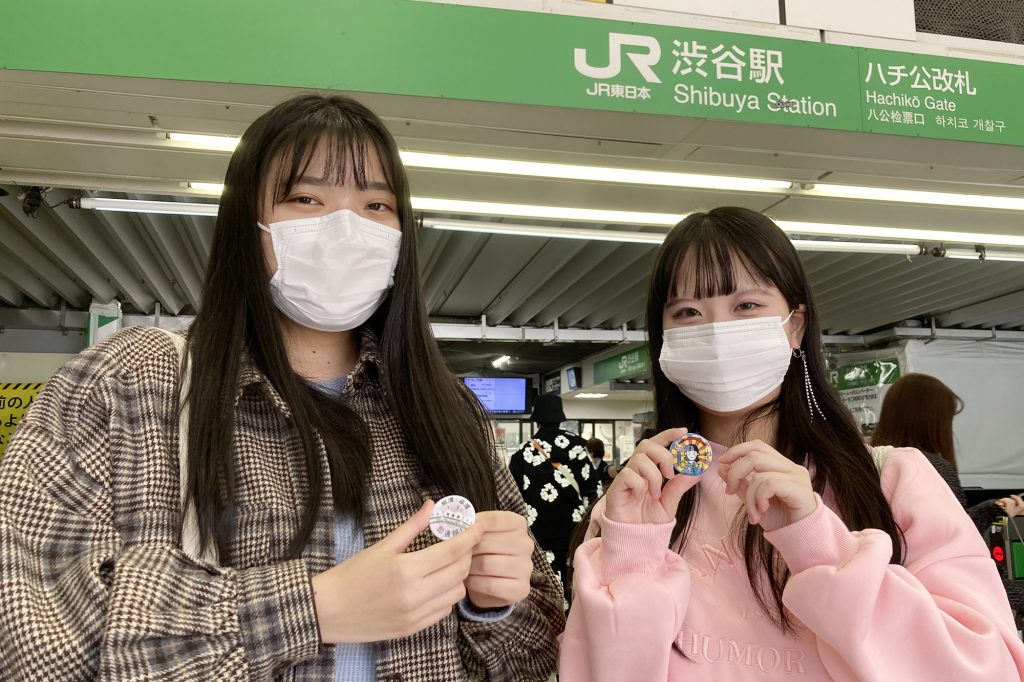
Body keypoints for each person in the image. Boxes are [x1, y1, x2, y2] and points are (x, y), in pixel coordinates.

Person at [0, 94, 563, 680]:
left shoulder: (445, 409)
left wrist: (493, 603)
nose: (346, 228)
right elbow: (25, 633)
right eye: (306, 198)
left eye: (376, 204)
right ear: (250, 223)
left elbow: (539, 649)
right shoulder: (132, 385)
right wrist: (311, 610)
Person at [559, 207, 1024, 681]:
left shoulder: (892, 480)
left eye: (746, 306)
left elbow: (990, 669)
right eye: (688, 312)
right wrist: (632, 553)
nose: (716, 330)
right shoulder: (635, 509)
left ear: (796, 326)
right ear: (664, 340)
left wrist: (819, 544)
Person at [872, 372, 1024, 613]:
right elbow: (955, 544)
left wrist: (994, 508)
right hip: (939, 603)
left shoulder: (870, 463)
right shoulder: (931, 466)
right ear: (931, 421)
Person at [508, 393, 596, 601]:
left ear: (537, 420)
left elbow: (511, 497)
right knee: (574, 576)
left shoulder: (523, 452)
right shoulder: (577, 448)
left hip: (537, 531)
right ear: (560, 417)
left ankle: (549, 620)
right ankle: (574, 620)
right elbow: (593, 489)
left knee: (543, 580)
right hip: (574, 529)